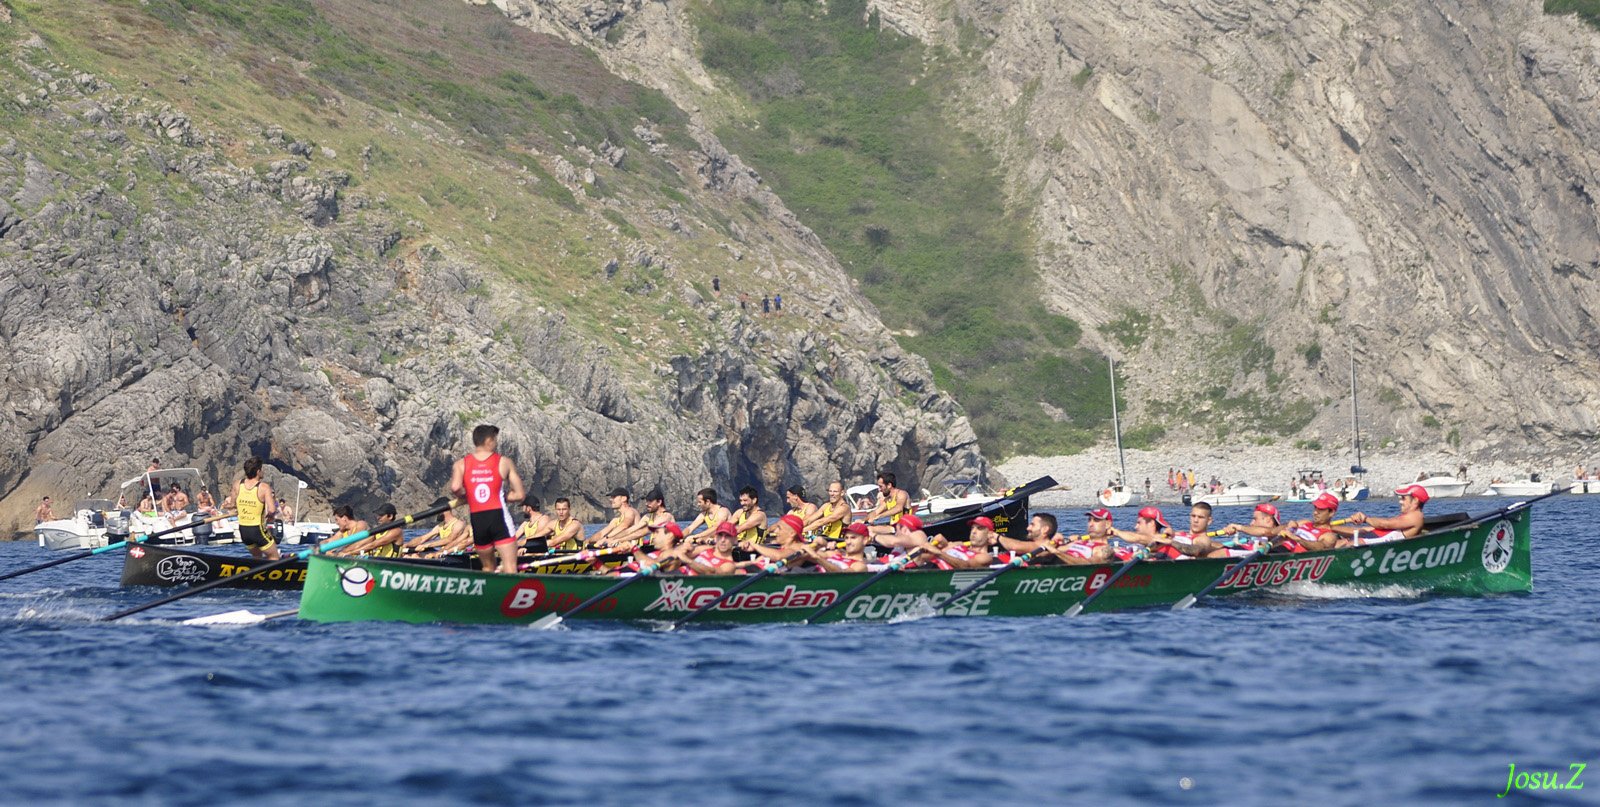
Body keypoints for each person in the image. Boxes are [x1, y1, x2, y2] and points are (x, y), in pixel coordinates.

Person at [448, 424, 528, 574]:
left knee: (487, 567)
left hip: (478, 520)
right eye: (495, 439)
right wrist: (501, 495)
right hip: (498, 517)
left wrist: (467, 496)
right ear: (489, 441)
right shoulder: (503, 462)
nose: (496, 443)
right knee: (510, 567)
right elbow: (519, 495)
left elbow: (455, 487)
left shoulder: (461, 464)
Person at [1337, 485, 1427, 546]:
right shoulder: (1404, 517)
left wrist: (1365, 519)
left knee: (1343, 543)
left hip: (1367, 543)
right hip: (1367, 538)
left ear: (1415, 500)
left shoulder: (1416, 516)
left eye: (1404, 498)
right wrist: (1332, 528)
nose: (1400, 501)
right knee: (1337, 539)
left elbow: (1385, 524)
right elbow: (1368, 529)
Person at [235, 457, 280, 560]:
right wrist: (270, 517)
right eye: (261, 469)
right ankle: (274, 570)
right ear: (258, 471)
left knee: (257, 556)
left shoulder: (237, 484)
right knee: (274, 557)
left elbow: (232, 505)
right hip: (257, 530)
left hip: (243, 530)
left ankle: (255, 570)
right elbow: (272, 510)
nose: (263, 472)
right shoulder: (264, 487)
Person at [918, 517, 998, 570]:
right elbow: (926, 556)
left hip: (938, 575)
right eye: (972, 528)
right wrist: (940, 544)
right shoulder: (959, 544)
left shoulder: (985, 557)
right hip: (924, 567)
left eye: (979, 528)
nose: (973, 531)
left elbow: (966, 567)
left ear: (989, 534)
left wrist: (938, 552)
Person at [1278, 493, 1343, 552]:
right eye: (1315, 507)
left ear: (1331, 513)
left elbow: (1320, 548)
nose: (1315, 512)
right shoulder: (1304, 522)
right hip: (1279, 549)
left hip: (1292, 557)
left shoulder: (1329, 536)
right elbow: (1280, 529)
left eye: (1321, 509)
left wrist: (1296, 538)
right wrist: (1289, 525)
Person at [742, 514, 809, 569]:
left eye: (779, 528)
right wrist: (737, 565)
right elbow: (755, 562)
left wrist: (755, 546)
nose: (775, 531)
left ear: (792, 533)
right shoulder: (783, 548)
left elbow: (778, 556)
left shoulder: (799, 548)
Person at [866, 472, 911, 538]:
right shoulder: (887, 499)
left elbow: (898, 508)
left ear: (889, 485)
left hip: (905, 527)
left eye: (881, 486)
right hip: (894, 527)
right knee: (867, 528)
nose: (879, 489)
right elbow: (876, 512)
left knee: (870, 529)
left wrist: (879, 516)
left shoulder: (902, 494)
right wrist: (863, 520)